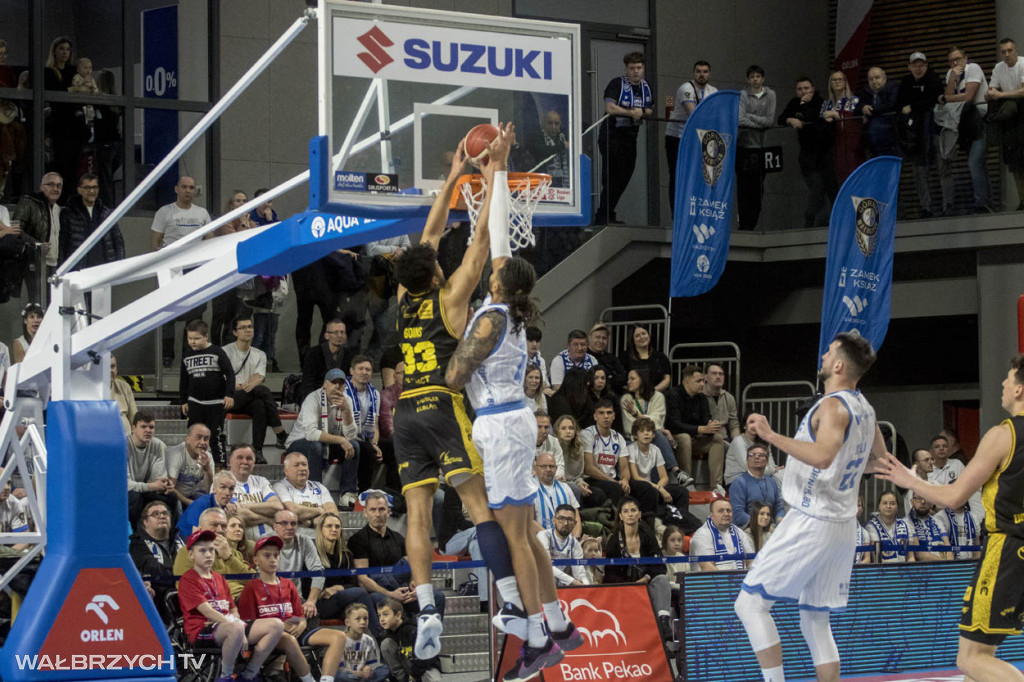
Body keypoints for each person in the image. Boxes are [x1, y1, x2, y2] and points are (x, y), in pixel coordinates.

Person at [391, 126, 527, 662]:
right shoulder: (450, 298)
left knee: (418, 517)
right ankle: (512, 600)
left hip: (403, 416)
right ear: (436, 272)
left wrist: (453, 175)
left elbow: (430, 233)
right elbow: (482, 243)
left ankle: (426, 607)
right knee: (477, 506)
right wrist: (492, 171)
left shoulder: (404, 293)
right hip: (440, 404)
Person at [444, 239, 585, 675]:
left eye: (494, 275)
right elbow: (501, 259)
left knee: (515, 536)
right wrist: (496, 179)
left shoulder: (489, 319)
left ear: (501, 286)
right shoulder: (512, 312)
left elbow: (454, 376)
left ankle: (538, 638)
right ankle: (559, 624)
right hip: (515, 419)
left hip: (501, 425)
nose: (489, 275)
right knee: (525, 528)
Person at [735, 330, 887, 682]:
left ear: (837, 365)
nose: (822, 357)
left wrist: (771, 436)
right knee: (815, 618)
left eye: (828, 352)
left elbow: (822, 456)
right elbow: (879, 460)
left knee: (750, 604)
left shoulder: (834, 406)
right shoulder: (865, 407)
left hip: (811, 518)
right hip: (843, 524)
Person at [878, 354, 1024, 681]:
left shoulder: (1004, 435)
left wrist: (909, 480)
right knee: (983, 659)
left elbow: (954, 496)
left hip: (1006, 551)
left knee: (970, 659)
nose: (1002, 383)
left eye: (1008, 377)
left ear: (1018, 390)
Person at [177, 529, 284, 682]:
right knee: (235, 628)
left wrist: (237, 624)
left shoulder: (219, 578)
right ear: (191, 555)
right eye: (202, 551)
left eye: (211, 550)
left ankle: (249, 674)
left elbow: (233, 608)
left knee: (276, 625)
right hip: (200, 631)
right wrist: (236, 626)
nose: (208, 554)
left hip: (227, 626)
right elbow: (207, 611)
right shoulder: (188, 579)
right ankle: (225, 676)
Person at [236, 535, 345, 682]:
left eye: (276, 555)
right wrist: (277, 625)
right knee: (288, 639)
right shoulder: (251, 588)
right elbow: (249, 623)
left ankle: (326, 680)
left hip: (296, 630)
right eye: (267, 555)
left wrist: (302, 624)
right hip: (272, 636)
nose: (273, 559)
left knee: (339, 637)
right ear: (256, 560)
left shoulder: (288, 584)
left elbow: (300, 616)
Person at [347, 490, 443, 633]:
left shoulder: (398, 538)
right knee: (383, 599)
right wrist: (391, 594)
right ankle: (394, 641)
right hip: (378, 590)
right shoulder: (358, 540)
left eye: (381, 509)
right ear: (365, 513)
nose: (377, 514)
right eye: (373, 510)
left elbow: (414, 567)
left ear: (389, 512)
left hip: (402, 588)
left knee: (438, 597)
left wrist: (415, 586)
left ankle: (430, 638)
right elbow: (363, 579)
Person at [152, 176, 212, 368]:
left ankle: (192, 355)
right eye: (184, 187)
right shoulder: (165, 212)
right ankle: (167, 356)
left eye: (192, 187)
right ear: (176, 189)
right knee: (168, 313)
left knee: (195, 314)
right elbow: (156, 242)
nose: (188, 190)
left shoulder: (202, 213)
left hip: (195, 268)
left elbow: (211, 241)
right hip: (172, 267)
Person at [602, 497, 674, 643]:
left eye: (633, 510)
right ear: (621, 516)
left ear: (639, 514)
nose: (630, 514)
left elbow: (660, 566)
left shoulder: (648, 536)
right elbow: (611, 574)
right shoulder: (614, 540)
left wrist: (646, 578)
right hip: (625, 585)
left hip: (647, 582)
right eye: (626, 511)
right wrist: (632, 585)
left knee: (661, 580)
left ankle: (664, 623)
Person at [594, 52, 653, 225]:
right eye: (632, 68)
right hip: (612, 135)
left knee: (625, 176)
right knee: (612, 177)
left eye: (639, 68)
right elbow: (610, 107)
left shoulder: (645, 87)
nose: (635, 71)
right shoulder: (617, 83)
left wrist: (642, 111)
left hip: (630, 137)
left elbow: (650, 109)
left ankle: (608, 212)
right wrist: (630, 112)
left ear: (643, 68)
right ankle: (603, 215)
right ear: (626, 69)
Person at [934, 46, 990, 215]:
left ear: (965, 58)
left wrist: (945, 98)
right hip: (963, 124)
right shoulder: (950, 73)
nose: (955, 63)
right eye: (951, 61)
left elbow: (968, 97)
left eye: (958, 59)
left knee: (974, 164)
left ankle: (981, 204)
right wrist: (951, 80)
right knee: (978, 166)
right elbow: (950, 100)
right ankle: (986, 201)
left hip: (979, 121)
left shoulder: (973, 68)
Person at [224, 315, 288, 463]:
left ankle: (257, 451)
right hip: (230, 398)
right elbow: (223, 382)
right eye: (243, 328)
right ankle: (280, 432)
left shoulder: (260, 354)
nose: (248, 330)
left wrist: (249, 384)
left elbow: (258, 377)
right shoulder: (225, 352)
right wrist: (247, 385)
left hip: (249, 397)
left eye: (250, 327)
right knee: (263, 391)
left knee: (259, 404)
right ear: (235, 332)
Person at [287, 369, 360, 490]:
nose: (337, 386)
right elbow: (311, 434)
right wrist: (341, 440)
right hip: (299, 443)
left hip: (327, 444)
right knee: (316, 446)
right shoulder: (313, 398)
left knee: (354, 446)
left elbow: (351, 435)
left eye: (341, 383)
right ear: (325, 384)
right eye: (333, 382)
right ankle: (315, 491)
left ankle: (348, 493)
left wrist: (346, 411)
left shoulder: (347, 401)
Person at [779, 77, 834, 227]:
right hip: (807, 156)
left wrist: (804, 104)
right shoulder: (793, 103)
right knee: (816, 187)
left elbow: (815, 120)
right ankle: (814, 219)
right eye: (800, 89)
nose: (804, 91)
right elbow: (781, 118)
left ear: (813, 89)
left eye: (807, 88)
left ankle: (818, 220)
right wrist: (790, 119)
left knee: (827, 189)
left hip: (825, 154)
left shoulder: (821, 102)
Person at [180, 319, 235, 466]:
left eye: (197, 338)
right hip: (195, 402)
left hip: (215, 403)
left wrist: (229, 394)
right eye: (190, 338)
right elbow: (183, 380)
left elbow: (230, 374)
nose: (193, 342)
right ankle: (191, 465)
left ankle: (220, 465)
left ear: (206, 337)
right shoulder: (186, 355)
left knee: (215, 437)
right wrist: (183, 400)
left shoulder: (217, 351)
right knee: (194, 435)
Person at [665, 61, 717, 216]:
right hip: (677, 137)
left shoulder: (713, 91)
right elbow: (693, 114)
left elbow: (718, 114)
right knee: (677, 175)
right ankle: (677, 215)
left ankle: (693, 213)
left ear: (709, 74)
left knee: (697, 176)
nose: (702, 74)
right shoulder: (686, 88)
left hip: (698, 139)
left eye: (705, 71)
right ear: (693, 73)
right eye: (699, 71)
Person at [666, 365, 726, 494]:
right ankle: (687, 482)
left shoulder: (702, 398)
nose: (702, 384)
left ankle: (716, 485)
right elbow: (674, 424)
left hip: (695, 439)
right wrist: (701, 428)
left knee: (718, 439)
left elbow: (706, 419)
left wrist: (711, 425)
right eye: (698, 381)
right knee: (684, 437)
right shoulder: (673, 395)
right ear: (686, 381)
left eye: (703, 381)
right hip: (674, 441)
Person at [897, 52, 944, 218]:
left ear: (926, 65)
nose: (918, 68)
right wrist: (919, 105)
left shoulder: (934, 79)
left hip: (934, 130)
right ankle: (926, 207)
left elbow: (934, 98)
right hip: (914, 134)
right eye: (915, 65)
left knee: (941, 166)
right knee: (919, 171)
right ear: (909, 67)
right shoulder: (906, 82)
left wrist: (914, 106)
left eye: (921, 65)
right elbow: (900, 104)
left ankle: (947, 206)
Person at [627, 417, 695, 530]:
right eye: (642, 431)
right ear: (635, 435)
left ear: (653, 434)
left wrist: (659, 487)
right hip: (639, 488)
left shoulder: (655, 449)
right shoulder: (631, 449)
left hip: (654, 487)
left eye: (649, 431)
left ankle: (683, 523)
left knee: (682, 491)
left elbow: (664, 477)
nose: (646, 434)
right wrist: (659, 488)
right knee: (650, 490)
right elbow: (636, 477)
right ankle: (657, 523)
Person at [173, 506, 253, 600]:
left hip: (245, 600)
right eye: (214, 525)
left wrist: (229, 558)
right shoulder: (188, 552)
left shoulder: (233, 553)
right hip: (217, 604)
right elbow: (186, 588)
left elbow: (255, 580)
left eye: (223, 526)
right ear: (200, 529)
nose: (219, 530)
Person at [620, 369, 684, 483]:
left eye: (632, 378)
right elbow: (630, 426)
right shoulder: (626, 400)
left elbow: (657, 421)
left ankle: (673, 475)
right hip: (632, 439)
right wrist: (656, 428)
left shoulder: (658, 397)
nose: (628, 382)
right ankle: (676, 471)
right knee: (658, 435)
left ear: (642, 380)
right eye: (628, 379)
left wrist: (637, 415)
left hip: (652, 436)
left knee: (657, 436)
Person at [313, 512, 377, 624]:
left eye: (337, 526)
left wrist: (338, 587)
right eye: (329, 526)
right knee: (361, 593)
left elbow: (353, 583)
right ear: (321, 529)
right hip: (321, 602)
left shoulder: (346, 555)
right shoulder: (313, 553)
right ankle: (381, 636)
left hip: (342, 600)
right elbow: (307, 584)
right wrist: (327, 590)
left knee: (372, 601)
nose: (334, 529)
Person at [737, 65, 777, 230]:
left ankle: (752, 225)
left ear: (763, 79)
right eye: (752, 76)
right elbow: (740, 119)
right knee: (743, 188)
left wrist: (750, 117)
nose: (755, 79)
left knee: (757, 189)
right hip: (744, 146)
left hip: (762, 148)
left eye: (758, 76)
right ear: (748, 79)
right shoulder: (743, 94)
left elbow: (769, 120)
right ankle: (744, 225)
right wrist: (758, 121)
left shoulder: (771, 94)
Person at [57, 172, 124, 269]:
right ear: (79, 190)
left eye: (95, 187)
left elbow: (118, 241)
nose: (92, 191)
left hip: (104, 270)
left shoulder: (106, 213)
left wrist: (120, 266)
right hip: (78, 271)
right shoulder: (68, 214)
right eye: (87, 188)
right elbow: (61, 245)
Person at [12, 173, 61, 303]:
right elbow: (14, 229)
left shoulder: (58, 210)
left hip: (55, 265)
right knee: (37, 305)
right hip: (34, 264)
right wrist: (36, 245)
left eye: (58, 185)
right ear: (41, 187)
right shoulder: (29, 202)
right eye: (50, 184)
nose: (55, 188)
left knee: (53, 305)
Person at [987, 38, 1024, 211]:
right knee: (1014, 161)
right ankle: (1022, 199)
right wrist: (990, 93)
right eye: (1003, 52)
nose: (1007, 55)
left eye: (1010, 51)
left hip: (1022, 111)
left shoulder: (1023, 64)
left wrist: (1001, 95)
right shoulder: (998, 67)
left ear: (1016, 50)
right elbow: (991, 89)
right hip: (1010, 118)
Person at [128, 500, 184, 612]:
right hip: (159, 603)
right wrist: (184, 575)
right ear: (145, 522)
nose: (162, 516)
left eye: (165, 513)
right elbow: (155, 572)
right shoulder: (137, 544)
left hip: (187, 595)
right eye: (155, 514)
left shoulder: (182, 541)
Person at [125, 412, 177, 528]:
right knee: (134, 497)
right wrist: (152, 486)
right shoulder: (123, 445)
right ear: (133, 428)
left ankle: (169, 537)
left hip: (144, 489)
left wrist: (165, 484)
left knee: (172, 497)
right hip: (125, 492)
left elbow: (157, 479)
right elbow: (125, 485)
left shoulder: (158, 445)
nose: (148, 430)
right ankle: (136, 536)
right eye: (143, 427)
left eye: (151, 427)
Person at [377, 597, 443, 682]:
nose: (382, 619)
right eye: (379, 615)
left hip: (425, 668)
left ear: (398, 615)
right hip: (407, 671)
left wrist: (414, 674)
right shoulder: (385, 636)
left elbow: (428, 657)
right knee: (386, 644)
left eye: (385, 614)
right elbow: (389, 665)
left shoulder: (412, 631)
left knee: (433, 677)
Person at [344, 354, 384, 491]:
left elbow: (375, 425)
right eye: (360, 369)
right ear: (351, 371)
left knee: (392, 446)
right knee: (366, 449)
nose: (364, 372)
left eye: (368, 370)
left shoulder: (375, 394)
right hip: (344, 435)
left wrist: (375, 443)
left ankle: (397, 493)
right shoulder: (343, 390)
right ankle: (363, 491)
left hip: (365, 437)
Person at [274, 452, 338, 535]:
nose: (302, 468)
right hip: (295, 539)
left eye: (304, 464)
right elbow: (293, 511)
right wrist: (320, 510)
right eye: (296, 465)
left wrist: (310, 523)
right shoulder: (279, 487)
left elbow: (333, 513)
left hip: (321, 539)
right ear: (286, 471)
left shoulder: (319, 487)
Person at [229, 444, 283, 540]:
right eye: (240, 458)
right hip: (242, 543)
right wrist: (267, 519)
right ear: (231, 461)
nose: (245, 462)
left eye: (249, 458)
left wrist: (245, 506)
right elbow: (239, 514)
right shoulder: (223, 482)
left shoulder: (261, 481)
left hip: (269, 542)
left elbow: (277, 507)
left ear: (254, 461)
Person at [821, 71, 864, 186]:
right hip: (834, 145)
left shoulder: (854, 101)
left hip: (851, 146)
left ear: (845, 82)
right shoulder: (826, 104)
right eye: (834, 80)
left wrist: (838, 115)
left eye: (840, 79)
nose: (837, 82)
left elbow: (858, 122)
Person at [729, 441, 785, 529]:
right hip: (747, 529)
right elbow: (738, 514)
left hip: (770, 528)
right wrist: (763, 526)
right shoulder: (738, 483)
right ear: (747, 461)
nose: (756, 457)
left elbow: (779, 508)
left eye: (761, 455)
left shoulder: (772, 482)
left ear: (766, 461)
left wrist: (781, 521)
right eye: (752, 455)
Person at [690, 498, 754, 571]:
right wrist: (727, 582)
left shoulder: (739, 532)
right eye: (721, 511)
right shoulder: (702, 534)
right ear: (711, 515)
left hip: (738, 579)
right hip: (712, 581)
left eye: (728, 511)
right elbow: (707, 567)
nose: (726, 514)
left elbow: (751, 560)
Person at [300, 319, 352, 403]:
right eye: (335, 332)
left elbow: (351, 383)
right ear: (326, 336)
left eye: (342, 332)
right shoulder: (313, 354)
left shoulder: (350, 356)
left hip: (342, 400)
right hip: (317, 399)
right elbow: (308, 384)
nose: (339, 335)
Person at [726, 412, 782, 487]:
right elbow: (749, 468)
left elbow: (771, 464)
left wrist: (774, 470)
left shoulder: (763, 442)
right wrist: (773, 470)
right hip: (737, 480)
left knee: (781, 476)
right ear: (744, 426)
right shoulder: (738, 441)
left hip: (759, 477)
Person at [164, 423, 214, 508]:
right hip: (174, 496)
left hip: (192, 494)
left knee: (209, 501)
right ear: (187, 439)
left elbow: (209, 490)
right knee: (176, 503)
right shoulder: (176, 454)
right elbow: (170, 488)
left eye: (206, 439)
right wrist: (190, 503)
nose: (203, 442)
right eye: (198, 437)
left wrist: (208, 471)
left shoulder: (207, 456)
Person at [337, 603, 389, 682]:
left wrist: (367, 669)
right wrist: (357, 673)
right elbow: (339, 668)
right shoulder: (340, 640)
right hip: (349, 675)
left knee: (385, 669)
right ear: (347, 622)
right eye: (358, 619)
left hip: (362, 676)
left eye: (365, 619)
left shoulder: (369, 640)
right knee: (341, 675)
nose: (363, 622)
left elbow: (369, 664)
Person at [553, 414, 598, 506]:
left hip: (575, 483)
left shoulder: (579, 447)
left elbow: (578, 475)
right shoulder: (553, 447)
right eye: (563, 428)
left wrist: (581, 483)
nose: (568, 431)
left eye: (571, 428)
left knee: (597, 494)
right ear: (557, 431)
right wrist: (577, 486)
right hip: (558, 482)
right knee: (574, 490)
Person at [538, 505, 588, 586]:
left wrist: (588, 587)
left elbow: (580, 574)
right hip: (539, 588)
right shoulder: (543, 536)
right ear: (554, 520)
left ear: (575, 523)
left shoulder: (575, 544)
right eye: (561, 518)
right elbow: (546, 565)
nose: (565, 523)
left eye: (570, 519)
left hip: (561, 590)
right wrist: (572, 581)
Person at [856, 67, 901, 157]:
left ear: (884, 77)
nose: (874, 81)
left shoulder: (893, 87)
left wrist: (870, 111)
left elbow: (891, 105)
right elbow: (857, 108)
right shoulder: (866, 90)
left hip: (892, 139)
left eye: (877, 77)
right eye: (871, 79)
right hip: (872, 143)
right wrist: (863, 108)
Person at [533, 452, 579, 532]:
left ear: (556, 468)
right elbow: (528, 521)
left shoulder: (565, 488)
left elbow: (576, 518)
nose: (548, 469)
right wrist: (551, 539)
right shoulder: (527, 490)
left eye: (551, 466)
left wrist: (575, 540)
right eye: (543, 466)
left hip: (566, 540)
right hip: (538, 540)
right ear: (535, 468)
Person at [619, 325, 671, 392]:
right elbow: (621, 381)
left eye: (644, 333)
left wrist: (653, 391)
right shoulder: (624, 357)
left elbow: (667, 379)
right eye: (637, 336)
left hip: (656, 394)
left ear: (648, 335)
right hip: (632, 396)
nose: (642, 337)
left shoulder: (660, 356)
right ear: (632, 340)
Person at [905, 492, 952, 561]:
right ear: (912, 502)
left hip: (944, 568)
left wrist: (950, 565)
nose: (923, 502)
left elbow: (948, 547)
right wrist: (944, 563)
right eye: (919, 498)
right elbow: (918, 553)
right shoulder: (906, 522)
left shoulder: (938, 522)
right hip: (923, 569)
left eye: (926, 498)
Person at [704, 362, 741, 442]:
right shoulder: (699, 396)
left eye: (721, 374)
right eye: (714, 373)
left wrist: (737, 443)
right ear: (705, 377)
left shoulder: (729, 397)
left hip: (725, 439)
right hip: (704, 438)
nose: (718, 377)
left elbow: (734, 425)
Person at [587, 322, 627, 392]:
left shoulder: (611, 358)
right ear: (589, 338)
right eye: (597, 337)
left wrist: (608, 380)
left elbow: (624, 376)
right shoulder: (583, 356)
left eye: (604, 338)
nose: (601, 341)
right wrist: (611, 377)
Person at [110, 354, 137, 434]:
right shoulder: (92, 390)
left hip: (126, 439)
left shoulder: (124, 386)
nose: (111, 370)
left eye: (113, 366)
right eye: (106, 367)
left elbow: (134, 417)